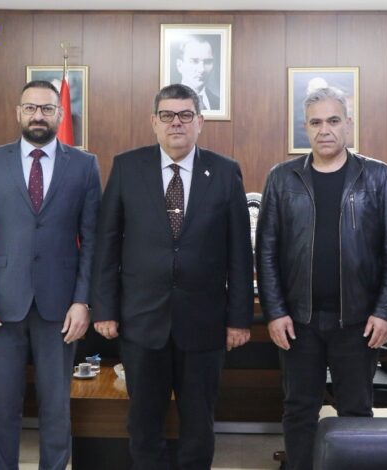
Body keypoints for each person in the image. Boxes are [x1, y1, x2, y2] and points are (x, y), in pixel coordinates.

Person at [91, 83, 253, 469]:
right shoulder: (128, 167)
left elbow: (239, 253)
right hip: (142, 321)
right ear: (154, 122)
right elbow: (106, 244)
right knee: (143, 423)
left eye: (185, 115)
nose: (175, 123)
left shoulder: (225, 171)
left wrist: (239, 318)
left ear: (200, 122)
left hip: (204, 324)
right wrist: (104, 308)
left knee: (199, 423)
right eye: (167, 115)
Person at [256, 87, 387, 470]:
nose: (325, 129)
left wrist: (385, 312)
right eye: (316, 122)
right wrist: (275, 312)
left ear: (349, 124)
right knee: (299, 408)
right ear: (305, 128)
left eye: (334, 120)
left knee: (356, 409)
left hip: (358, 321)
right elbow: (266, 251)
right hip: (298, 321)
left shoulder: (377, 176)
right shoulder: (282, 178)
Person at [0, 80, 101, 468]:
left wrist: (83, 300)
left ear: (60, 114)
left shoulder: (84, 165)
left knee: (56, 405)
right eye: (30, 108)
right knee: (2, 404)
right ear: (18, 113)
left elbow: (92, 240)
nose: (38, 115)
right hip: (1, 304)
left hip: (61, 306)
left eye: (47, 108)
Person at [176, 36, 219, 111]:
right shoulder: (168, 101)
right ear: (179, 65)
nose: (202, 69)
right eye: (194, 61)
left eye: (207, 62)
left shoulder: (218, 103)